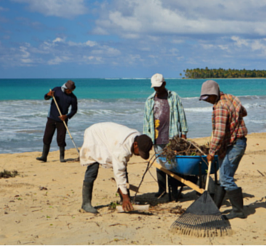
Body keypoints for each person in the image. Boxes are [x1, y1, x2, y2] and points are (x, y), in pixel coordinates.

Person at [79, 122, 153, 214]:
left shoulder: (138, 138)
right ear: (135, 145)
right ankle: (86, 204)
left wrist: (126, 197)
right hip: (94, 136)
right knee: (92, 169)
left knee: (123, 169)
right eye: (140, 152)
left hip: (108, 137)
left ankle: (124, 199)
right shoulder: (122, 149)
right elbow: (119, 173)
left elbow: (122, 168)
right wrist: (126, 197)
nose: (138, 155)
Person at [200, 80, 248, 219]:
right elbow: (244, 112)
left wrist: (211, 152)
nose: (206, 101)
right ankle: (215, 207)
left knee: (226, 178)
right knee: (223, 177)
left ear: (213, 94)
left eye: (207, 97)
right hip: (233, 143)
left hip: (234, 144)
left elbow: (219, 133)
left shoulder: (220, 106)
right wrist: (234, 118)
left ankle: (238, 211)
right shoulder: (232, 98)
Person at [143, 73, 188, 202]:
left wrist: (183, 133)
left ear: (164, 84)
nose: (157, 89)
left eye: (159, 86)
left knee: (173, 164)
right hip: (156, 138)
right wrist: (147, 139)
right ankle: (162, 190)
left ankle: (174, 191)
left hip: (172, 136)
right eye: (155, 87)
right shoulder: (149, 101)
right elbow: (146, 122)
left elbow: (181, 115)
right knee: (160, 164)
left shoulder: (173, 97)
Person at [37, 80, 78, 162]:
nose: (70, 92)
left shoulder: (73, 98)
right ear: (65, 88)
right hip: (51, 118)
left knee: (61, 139)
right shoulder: (57, 90)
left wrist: (66, 116)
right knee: (47, 137)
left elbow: (74, 110)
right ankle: (44, 157)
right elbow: (46, 98)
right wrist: (48, 95)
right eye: (69, 90)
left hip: (62, 120)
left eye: (71, 90)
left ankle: (62, 158)